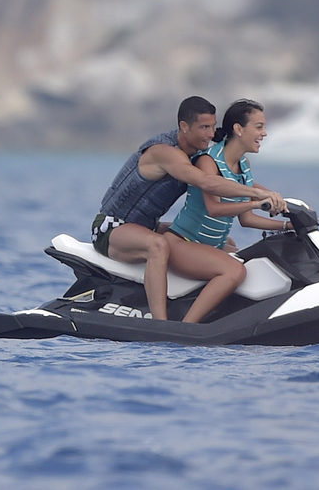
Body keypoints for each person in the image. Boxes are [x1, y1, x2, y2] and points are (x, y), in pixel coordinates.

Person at [91, 96, 285, 322]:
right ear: (184, 126)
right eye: (204, 128)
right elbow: (207, 182)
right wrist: (258, 195)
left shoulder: (197, 153)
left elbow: (232, 180)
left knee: (227, 244)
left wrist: (280, 202)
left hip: (147, 226)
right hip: (112, 227)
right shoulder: (166, 153)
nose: (211, 134)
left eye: (213, 127)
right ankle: (160, 324)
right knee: (158, 245)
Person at [171, 99, 289, 249]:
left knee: (253, 264)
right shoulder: (209, 160)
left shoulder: (244, 164)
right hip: (188, 241)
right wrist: (257, 203)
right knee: (237, 271)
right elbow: (214, 209)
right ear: (238, 129)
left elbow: (247, 218)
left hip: (214, 246)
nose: (264, 133)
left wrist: (287, 225)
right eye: (259, 127)